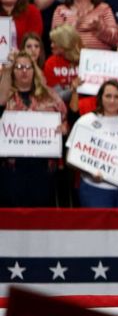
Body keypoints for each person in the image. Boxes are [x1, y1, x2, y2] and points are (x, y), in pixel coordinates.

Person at [0, 49, 68, 206]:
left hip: (43, 167)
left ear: (34, 70)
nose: (24, 71)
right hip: (12, 167)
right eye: (19, 67)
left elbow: (64, 120)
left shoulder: (50, 96)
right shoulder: (5, 95)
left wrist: (64, 128)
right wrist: (7, 69)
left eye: (28, 67)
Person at [65, 79, 118, 207]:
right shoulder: (86, 122)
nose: (112, 101)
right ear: (100, 98)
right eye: (108, 96)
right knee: (97, 228)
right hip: (95, 188)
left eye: (117, 97)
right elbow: (70, 158)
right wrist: (90, 172)